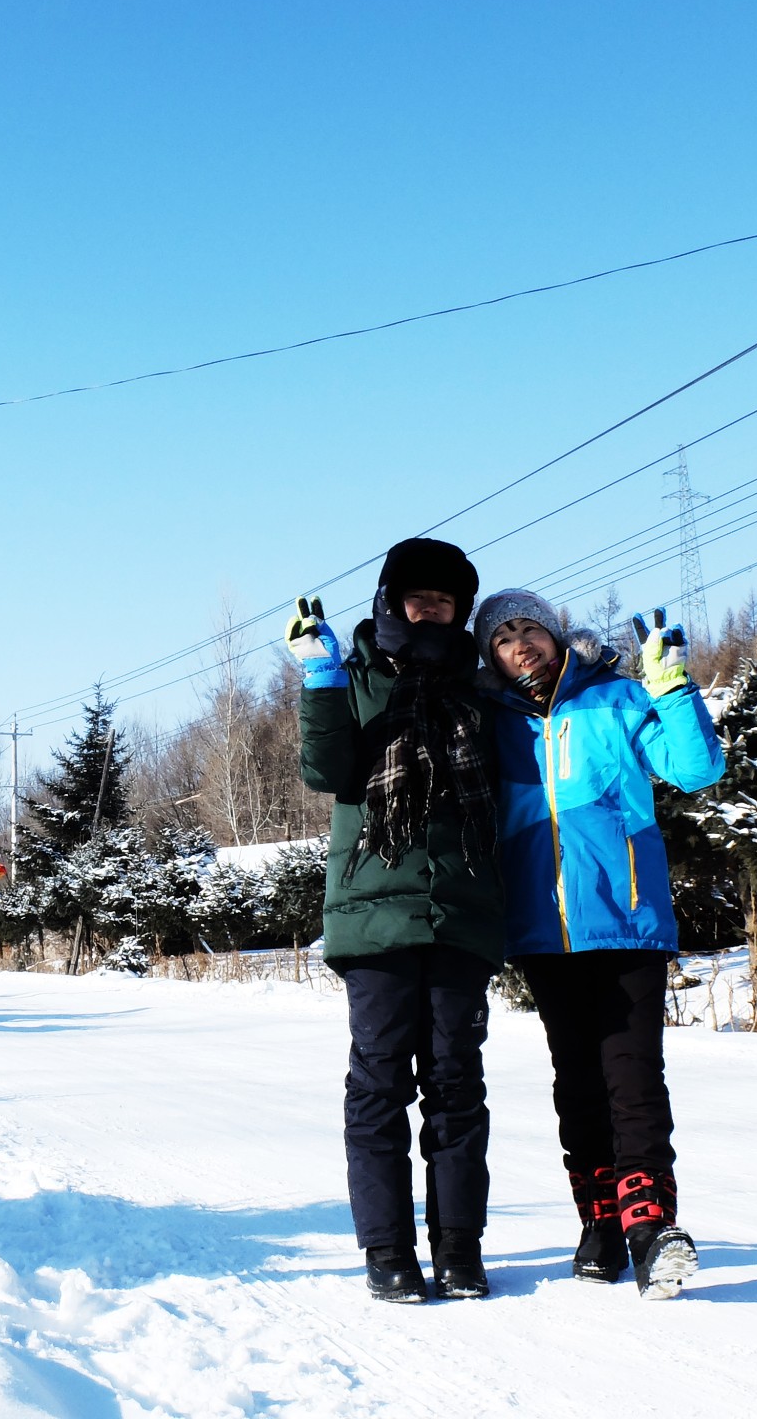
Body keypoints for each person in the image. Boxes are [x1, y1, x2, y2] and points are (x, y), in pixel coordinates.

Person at [470, 590, 724, 1300]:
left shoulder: (614, 697)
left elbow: (696, 768)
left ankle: (650, 1230)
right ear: (489, 654)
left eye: (530, 630)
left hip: (627, 920)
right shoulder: (493, 722)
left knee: (634, 1077)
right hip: (541, 932)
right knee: (577, 1083)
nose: (520, 644)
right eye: (503, 637)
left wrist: (671, 685)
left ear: (556, 635)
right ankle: (600, 1224)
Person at [287, 538, 506, 1302]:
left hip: (460, 916)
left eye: (445, 601)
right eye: (419, 598)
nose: (432, 609)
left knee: (456, 1086)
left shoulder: (480, 691)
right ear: (389, 602)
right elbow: (329, 771)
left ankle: (458, 1248)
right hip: (373, 917)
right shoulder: (356, 681)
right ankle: (387, 1249)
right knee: (380, 1086)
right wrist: (318, 679)